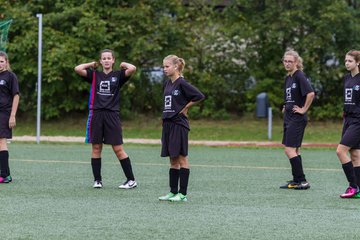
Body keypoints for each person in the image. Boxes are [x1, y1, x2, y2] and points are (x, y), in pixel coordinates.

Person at [74, 49, 137, 189]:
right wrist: (91, 63)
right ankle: (97, 180)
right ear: (101, 61)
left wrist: (124, 64)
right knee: (96, 147)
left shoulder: (118, 75)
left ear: (113, 60)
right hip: (97, 115)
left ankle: (131, 180)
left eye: (109, 58)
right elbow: (77, 69)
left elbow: (132, 68)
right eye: (104, 58)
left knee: (118, 148)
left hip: (112, 115)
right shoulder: (95, 75)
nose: (107, 60)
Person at [158, 55, 205, 202]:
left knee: (182, 158)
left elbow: (199, 96)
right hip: (168, 124)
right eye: (163, 67)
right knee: (172, 159)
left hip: (179, 124)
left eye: (167, 66)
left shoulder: (182, 83)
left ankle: (182, 194)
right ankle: (173, 192)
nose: (164, 69)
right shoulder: (167, 84)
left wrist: (185, 108)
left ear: (176, 67)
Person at [279, 50, 314, 190]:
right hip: (288, 117)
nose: (287, 64)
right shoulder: (288, 78)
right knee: (295, 150)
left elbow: (310, 94)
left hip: (297, 119)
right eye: (285, 61)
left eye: (290, 61)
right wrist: (285, 106)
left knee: (289, 150)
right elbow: (291, 96)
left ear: (296, 62)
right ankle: (296, 180)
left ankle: (303, 181)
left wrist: (304, 109)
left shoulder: (299, 76)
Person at [336, 50, 360, 198]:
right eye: (345, 61)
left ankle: (353, 186)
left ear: (358, 62)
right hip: (348, 120)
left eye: (350, 61)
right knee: (355, 155)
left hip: (358, 121)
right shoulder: (346, 78)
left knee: (340, 151)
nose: (347, 63)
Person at [0, 51, 20, 183]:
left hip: (4, 112)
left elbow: (16, 96)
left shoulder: (10, 76)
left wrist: (12, 115)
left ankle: (6, 175)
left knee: (1, 141)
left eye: (1, 61)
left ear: (6, 62)